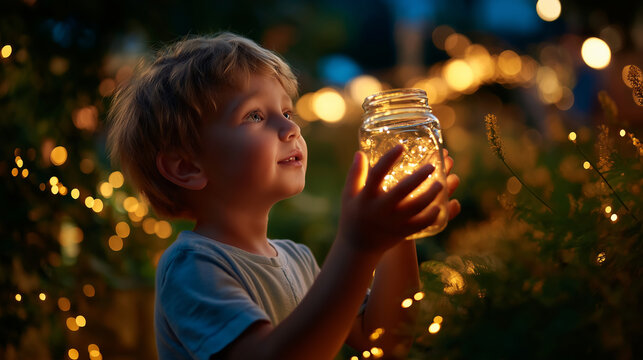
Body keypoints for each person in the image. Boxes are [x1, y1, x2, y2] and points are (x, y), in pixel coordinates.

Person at [107, 32, 461, 360]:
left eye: (288, 112)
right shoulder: (193, 267)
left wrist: (396, 235)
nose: (291, 128)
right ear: (187, 167)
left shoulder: (298, 259)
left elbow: (386, 340)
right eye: (255, 115)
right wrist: (358, 246)